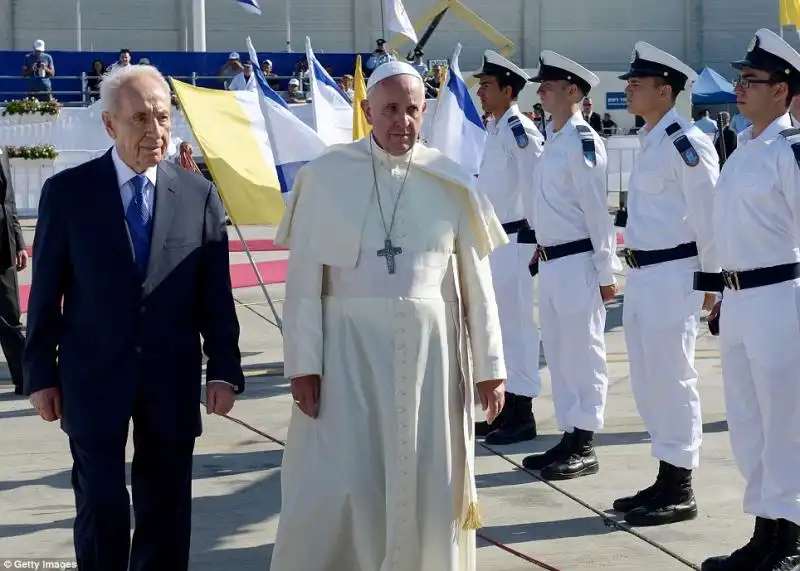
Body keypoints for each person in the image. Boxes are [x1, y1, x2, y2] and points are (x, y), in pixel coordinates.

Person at [269, 60, 508, 571]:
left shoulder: (450, 181)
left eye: (413, 110)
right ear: (367, 111)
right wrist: (302, 365)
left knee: (426, 482)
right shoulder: (326, 176)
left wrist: (491, 368)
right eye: (391, 109)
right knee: (344, 482)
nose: (403, 121)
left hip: (432, 362)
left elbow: (477, 289)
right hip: (346, 358)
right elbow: (305, 284)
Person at [22, 64, 244, 571]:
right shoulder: (69, 194)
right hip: (92, 376)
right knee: (100, 503)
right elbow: (45, 295)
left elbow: (215, 295)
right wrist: (39, 375)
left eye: (163, 117)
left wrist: (225, 369)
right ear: (109, 125)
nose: (155, 131)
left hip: (171, 375)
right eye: (140, 119)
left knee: (165, 507)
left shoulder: (198, 195)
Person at [700, 28, 800, 571]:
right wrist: (715, 293)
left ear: (782, 91)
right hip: (738, 303)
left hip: (779, 300)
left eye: (752, 80)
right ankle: (765, 530)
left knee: (785, 422)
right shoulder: (741, 147)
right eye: (740, 79)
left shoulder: (791, 150)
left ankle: (792, 539)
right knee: (748, 421)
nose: (740, 88)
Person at [613, 42, 719, 527]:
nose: (630, 89)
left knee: (673, 379)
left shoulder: (687, 142)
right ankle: (665, 474)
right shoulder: (652, 138)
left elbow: (710, 219)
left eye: (639, 83)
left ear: (666, 90)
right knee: (648, 380)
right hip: (641, 275)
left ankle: (681, 485)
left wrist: (712, 284)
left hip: (674, 275)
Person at [520, 51, 619, 480]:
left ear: (573, 91)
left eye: (549, 84)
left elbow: (598, 213)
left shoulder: (582, 141)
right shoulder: (555, 139)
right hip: (554, 262)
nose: (540, 90)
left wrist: (606, 272)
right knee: (559, 354)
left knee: (584, 353)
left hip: (579, 261)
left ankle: (585, 440)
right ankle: (568, 433)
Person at [472, 50, 544, 445]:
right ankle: (504, 410)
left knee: (517, 330)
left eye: (486, 86)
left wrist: (537, 238)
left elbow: (535, 186)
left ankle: (523, 412)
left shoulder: (521, 130)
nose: (481, 92)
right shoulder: (497, 127)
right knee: (499, 329)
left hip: (517, 240)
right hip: (496, 241)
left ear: (507, 89)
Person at [0, 148, 27, 396]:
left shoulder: (1, 151)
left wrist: (18, 242)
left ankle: (25, 379)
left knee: (10, 318)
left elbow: (9, 202)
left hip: (2, 248)